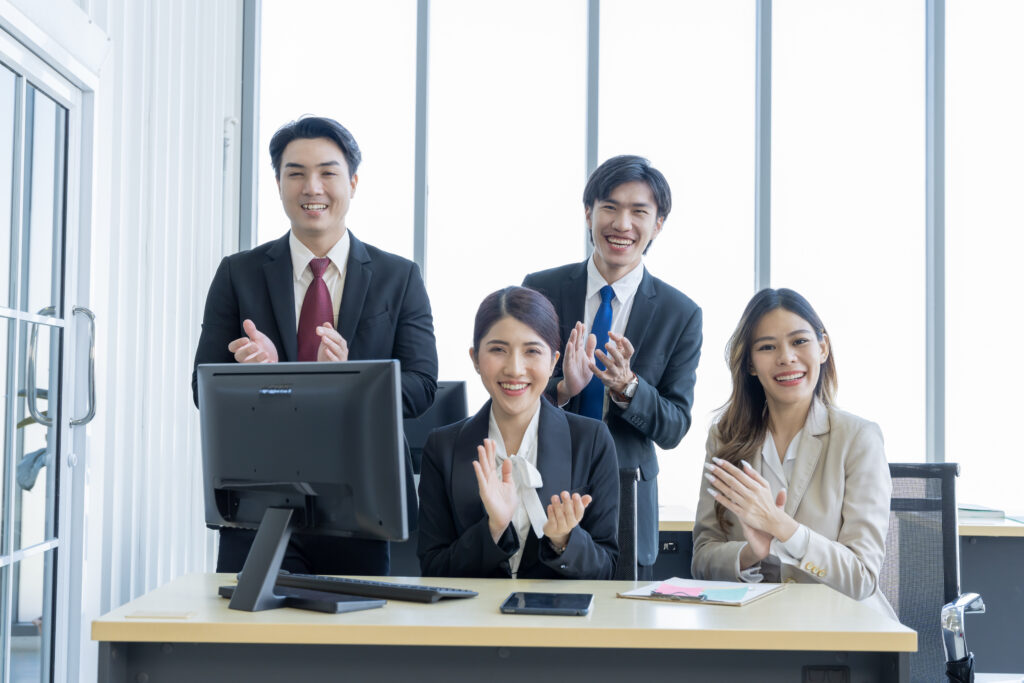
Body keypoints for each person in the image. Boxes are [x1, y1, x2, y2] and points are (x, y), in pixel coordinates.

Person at [192, 115, 438, 576]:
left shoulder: (398, 277)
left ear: (353, 182)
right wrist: (256, 376)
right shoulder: (238, 273)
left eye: (327, 172)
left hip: (363, 500)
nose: (312, 188)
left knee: (354, 643)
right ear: (279, 183)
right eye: (296, 173)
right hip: (259, 497)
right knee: (252, 641)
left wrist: (351, 377)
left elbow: (422, 387)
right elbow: (202, 390)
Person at [523, 155, 701, 579]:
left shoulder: (680, 313)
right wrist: (563, 388)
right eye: (610, 207)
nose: (623, 224)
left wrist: (629, 388)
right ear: (589, 213)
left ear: (658, 224)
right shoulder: (540, 289)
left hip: (625, 493)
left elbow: (675, 426)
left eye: (639, 211)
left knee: (623, 633)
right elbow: (513, 388)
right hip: (543, 485)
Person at [691, 288, 895, 618]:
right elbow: (701, 558)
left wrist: (783, 528)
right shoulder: (725, 437)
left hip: (842, 631)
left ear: (823, 348)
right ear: (751, 365)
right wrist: (749, 554)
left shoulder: (858, 438)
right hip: (752, 628)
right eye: (767, 347)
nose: (786, 357)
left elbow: (862, 577)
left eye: (799, 341)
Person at [417, 286, 619, 579]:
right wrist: (493, 530)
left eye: (532, 351)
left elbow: (608, 569)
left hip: (560, 621)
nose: (514, 369)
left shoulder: (592, 440)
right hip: (472, 622)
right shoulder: (443, 447)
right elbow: (433, 569)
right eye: (498, 349)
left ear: (553, 362)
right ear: (475, 358)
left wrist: (564, 541)